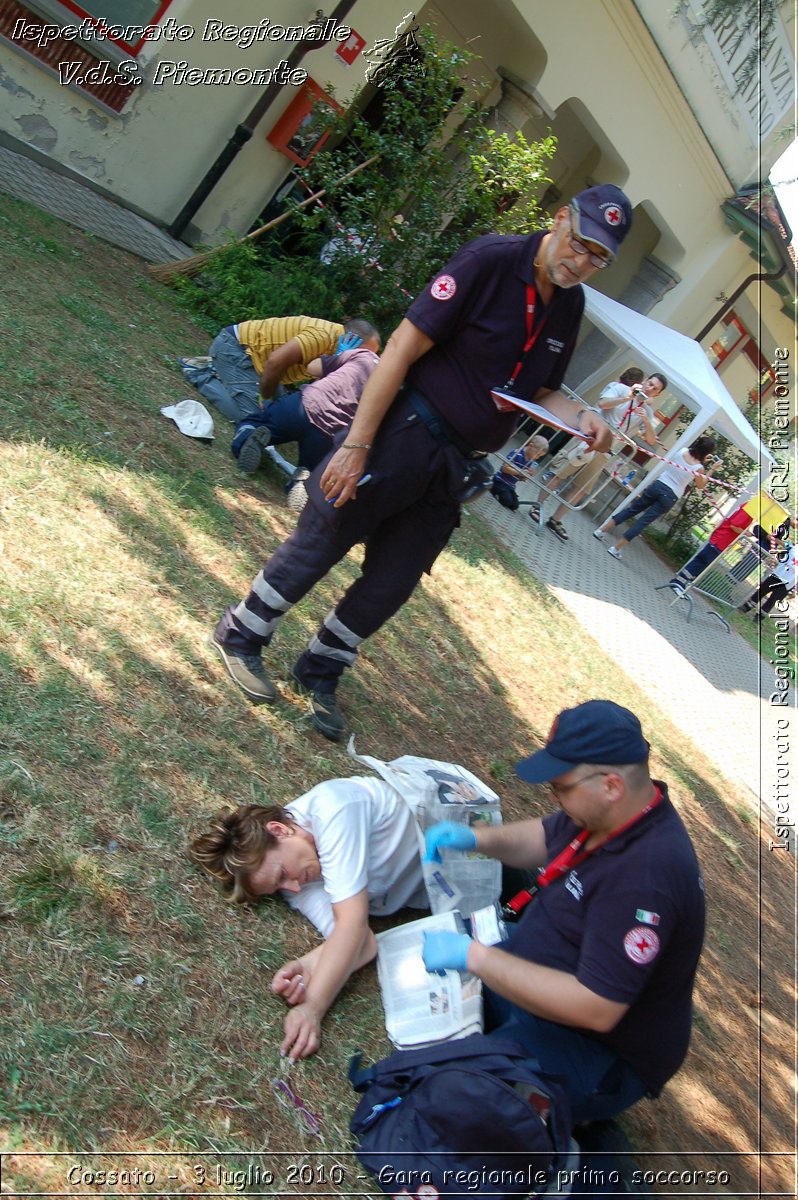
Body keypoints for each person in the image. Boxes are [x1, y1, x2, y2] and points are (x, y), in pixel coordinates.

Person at [211, 185, 633, 740]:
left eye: (599, 257)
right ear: (559, 220)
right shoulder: (490, 260)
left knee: (395, 578)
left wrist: (581, 416)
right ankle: (241, 634)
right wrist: (357, 444)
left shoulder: (570, 305)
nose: (583, 262)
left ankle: (319, 668)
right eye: (580, 243)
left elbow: (546, 389)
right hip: (405, 432)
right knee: (326, 535)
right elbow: (401, 351)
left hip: (457, 465)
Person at [421, 700, 705, 1124]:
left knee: (465, 1099)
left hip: (594, 1044)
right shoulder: (610, 812)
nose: (553, 794)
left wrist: (475, 957)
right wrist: (473, 838)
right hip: (535, 976)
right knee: (425, 998)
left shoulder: (647, 878)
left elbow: (597, 1006)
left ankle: (577, 1142)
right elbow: (542, 837)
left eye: (560, 786)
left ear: (611, 785)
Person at [188, 775, 429, 1061]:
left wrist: (312, 1007)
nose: (292, 888)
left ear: (279, 830)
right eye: (277, 888)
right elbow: (362, 942)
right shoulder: (295, 878)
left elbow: (351, 924)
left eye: (281, 876)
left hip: (466, 838)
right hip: (436, 887)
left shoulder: (335, 808)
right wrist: (308, 964)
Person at [230, 325, 381, 508]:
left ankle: (248, 438)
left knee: (254, 421)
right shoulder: (387, 383)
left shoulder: (359, 355)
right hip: (330, 433)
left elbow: (312, 368)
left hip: (302, 406)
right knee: (313, 468)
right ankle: (302, 481)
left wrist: (338, 357)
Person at [533, 369, 663, 541]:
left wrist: (646, 420)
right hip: (588, 438)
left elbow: (651, 439)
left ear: (658, 394)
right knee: (560, 472)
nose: (650, 388)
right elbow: (603, 404)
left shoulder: (647, 411)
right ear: (645, 381)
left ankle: (556, 520)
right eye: (650, 383)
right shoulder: (620, 389)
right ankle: (538, 505)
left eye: (655, 389)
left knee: (583, 487)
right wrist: (628, 398)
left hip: (606, 450)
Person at [179, 316, 366, 423]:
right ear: (351, 339)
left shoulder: (338, 350)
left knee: (279, 415)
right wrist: (264, 396)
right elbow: (275, 361)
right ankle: (200, 372)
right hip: (238, 350)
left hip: (260, 364)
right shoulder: (324, 336)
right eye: (365, 352)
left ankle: (220, 369)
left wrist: (336, 363)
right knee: (251, 417)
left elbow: (318, 390)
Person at [593, 435, 717, 561]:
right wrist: (711, 469)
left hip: (659, 484)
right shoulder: (699, 468)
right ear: (707, 453)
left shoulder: (682, 451)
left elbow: (686, 461)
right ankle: (616, 548)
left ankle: (601, 530)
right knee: (643, 521)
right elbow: (701, 485)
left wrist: (702, 459)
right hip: (671, 495)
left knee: (633, 509)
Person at [667, 501, 755, 595]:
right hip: (721, 540)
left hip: (721, 540)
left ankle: (681, 583)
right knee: (701, 563)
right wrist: (747, 533)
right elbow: (734, 525)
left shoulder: (749, 507)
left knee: (701, 564)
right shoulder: (749, 509)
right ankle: (678, 582)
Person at [739, 538, 797, 621]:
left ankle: (759, 617)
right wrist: (773, 539)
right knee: (762, 591)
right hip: (777, 575)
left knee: (773, 599)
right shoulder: (793, 548)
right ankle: (747, 606)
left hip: (788, 584)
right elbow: (783, 544)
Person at [489, 434, 549, 511]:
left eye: (540, 456)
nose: (537, 457)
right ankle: (493, 488)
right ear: (531, 446)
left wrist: (525, 476)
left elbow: (519, 477)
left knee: (515, 506)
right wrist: (519, 472)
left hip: (510, 486)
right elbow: (504, 468)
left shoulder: (529, 461)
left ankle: (502, 493)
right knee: (506, 501)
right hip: (500, 481)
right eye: (537, 453)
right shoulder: (517, 453)